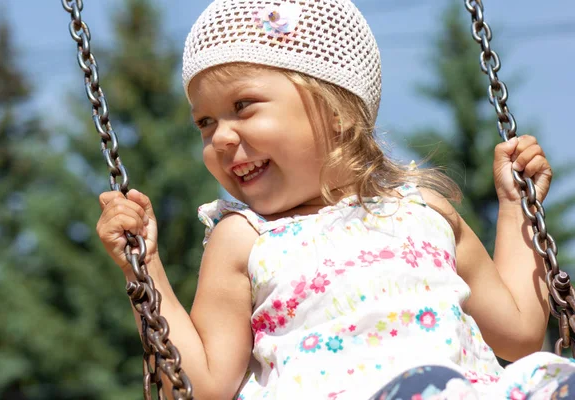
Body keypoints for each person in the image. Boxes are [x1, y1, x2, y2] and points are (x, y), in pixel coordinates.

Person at [96, 0, 574, 399]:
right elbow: (204, 384)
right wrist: (146, 268)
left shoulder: (425, 211)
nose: (220, 137)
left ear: (334, 107)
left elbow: (520, 333)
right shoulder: (243, 239)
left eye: (242, 106)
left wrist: (516, 209)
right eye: (205, 123)